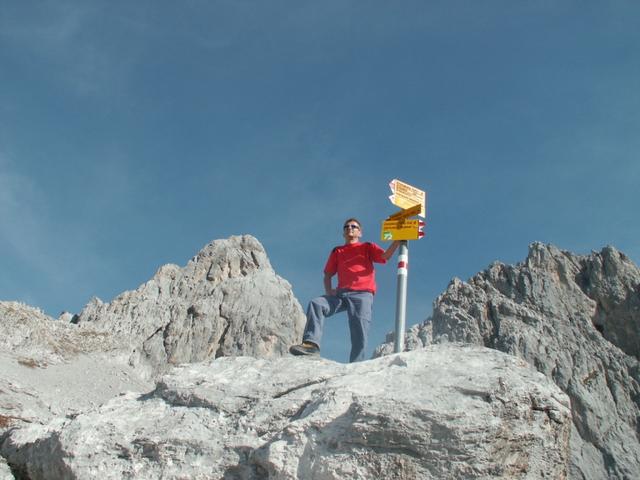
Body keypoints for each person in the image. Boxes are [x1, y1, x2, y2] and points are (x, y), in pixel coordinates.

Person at [290, 218, 400, 362]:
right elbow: (328, 274)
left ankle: (356, 364)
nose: (350, 228)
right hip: (341, 295)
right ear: (343, 233)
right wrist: (329, 291)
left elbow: (385, 256)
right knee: (317, 303)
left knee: (359, 331)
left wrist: (398, 239)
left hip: (362, 295)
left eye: (354, 226)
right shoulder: (337, 251)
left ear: (360, 232)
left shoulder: (367, 247)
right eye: (346, 227)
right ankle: (311, 344)